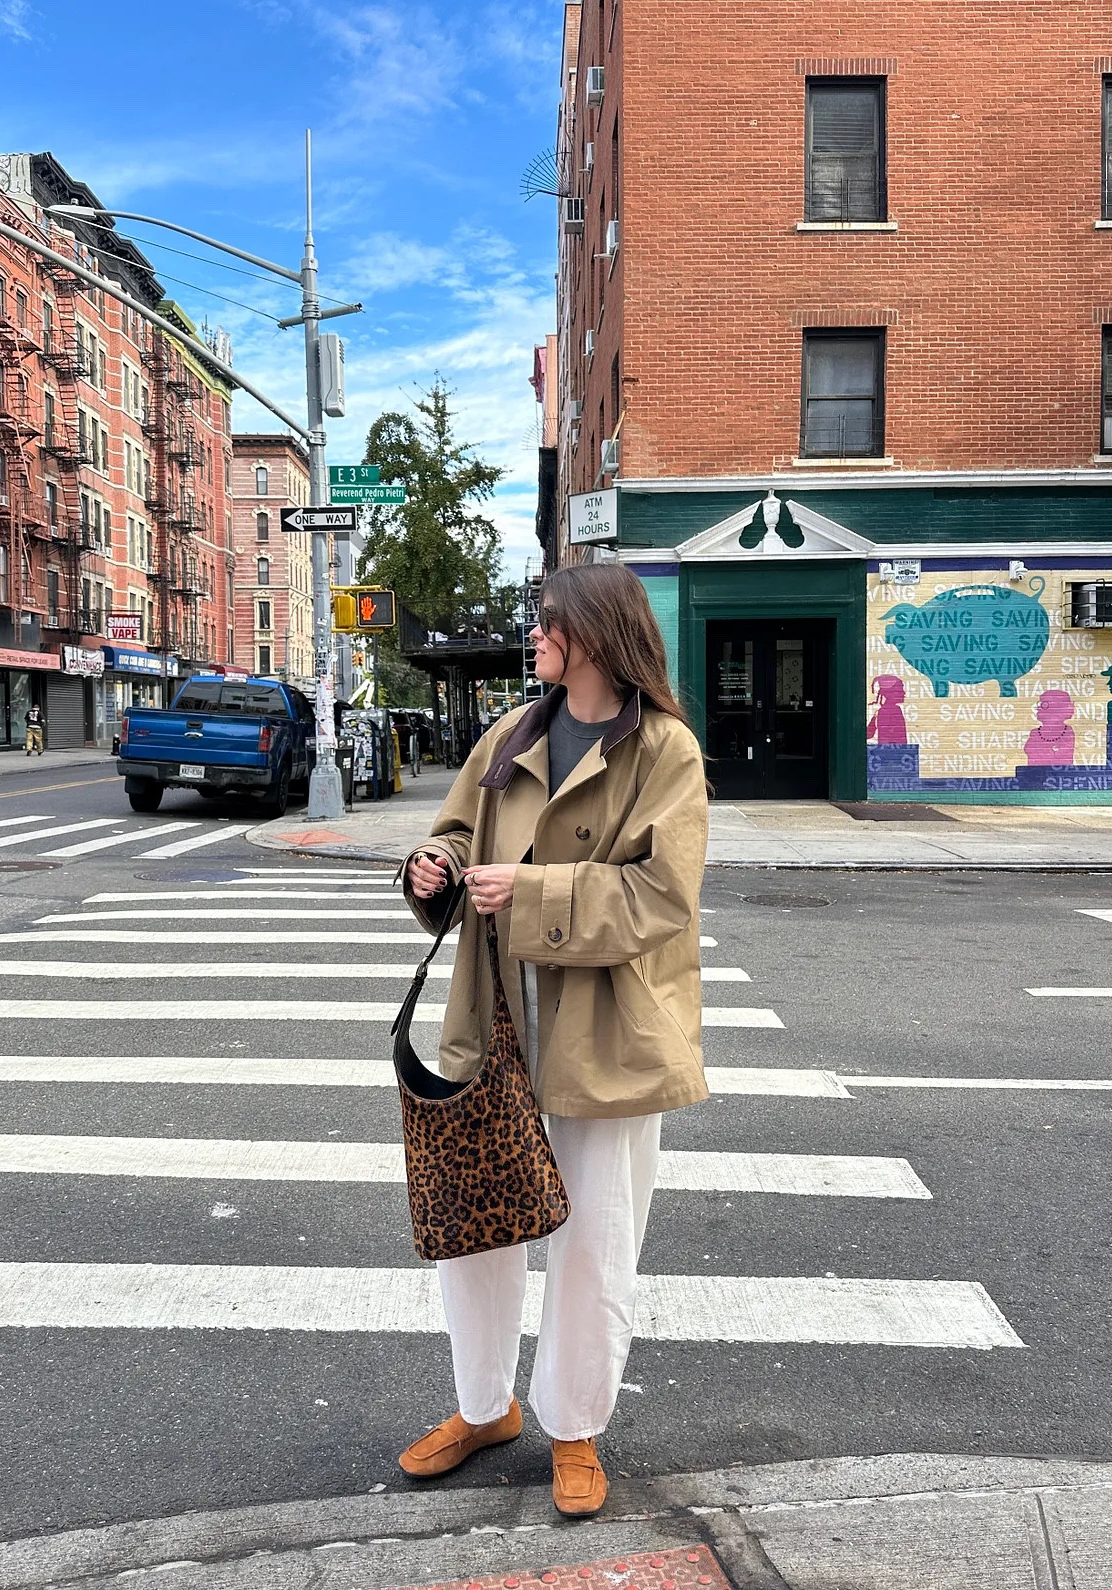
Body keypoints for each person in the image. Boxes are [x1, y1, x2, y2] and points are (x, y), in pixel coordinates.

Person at [399, 562, 709, 1518]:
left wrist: (528, 894)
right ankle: (483, 1408)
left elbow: (664, 897)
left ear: (591, 634)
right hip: (496, 1016)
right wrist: (436, 865)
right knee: (477, 1226)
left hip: (604, 1028)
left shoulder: (666, 751)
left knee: (595, 1240)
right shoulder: (513, 732)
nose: (533, 637)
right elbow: (460, 827)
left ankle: (575, 1429)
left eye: (546, 625)